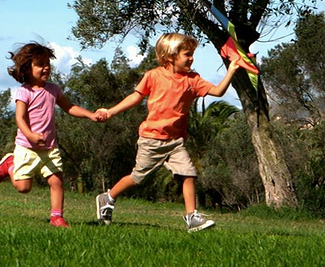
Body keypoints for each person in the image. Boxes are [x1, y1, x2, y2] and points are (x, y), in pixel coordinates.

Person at [95, 33, 240, 232]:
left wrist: (231, 70)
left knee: (189, 174)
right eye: (187, 54)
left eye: (192, 54)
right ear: (170, 56)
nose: (191, 58)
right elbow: (135, 98)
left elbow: (218, 91)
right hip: (151, 139)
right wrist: (110, 111)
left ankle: (192, 218)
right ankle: (108, 197)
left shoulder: (193, 80)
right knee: (137, 177)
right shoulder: (153, 76)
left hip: (175, 141)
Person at [0, 42, 106, 228]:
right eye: (40, 64)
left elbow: (70, 107)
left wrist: (90, 114)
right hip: (28, 148)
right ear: (27, 68)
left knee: (57, 181)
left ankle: (57, 217)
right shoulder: (24, 92)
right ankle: (10, 165)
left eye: (47, 64)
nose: (46, 68)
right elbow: (19, 118)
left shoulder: (53, 90)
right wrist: (31, 135)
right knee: (23, 188)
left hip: (50, 148)